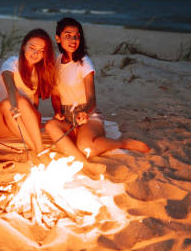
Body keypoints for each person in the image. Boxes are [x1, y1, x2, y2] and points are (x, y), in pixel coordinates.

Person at [45, 17, 150, 162]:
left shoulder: (84, 62)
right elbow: (55, 94)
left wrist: (84, 112)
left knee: (85, 147)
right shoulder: (57, 61)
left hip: (88, 116)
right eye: (68, 36)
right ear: (58, 38)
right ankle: (80, 144)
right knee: (50, 126)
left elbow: (92, 99)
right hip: (68, 119)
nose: (73, 40)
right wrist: (58, 112)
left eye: (76, 36)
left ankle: (123, 143)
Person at [0, 28, 55, 158]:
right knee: (7, 104)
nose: (35, 54)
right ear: (23, 46)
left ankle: (37, 148)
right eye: (32, 48)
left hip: (26, 120)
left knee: (22, 102)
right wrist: (14, 107)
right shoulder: (11, 63)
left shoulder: (40, 70)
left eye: (40, 51)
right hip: (4, 122)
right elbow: (11, 88)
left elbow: (35, 102)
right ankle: (36, 148)